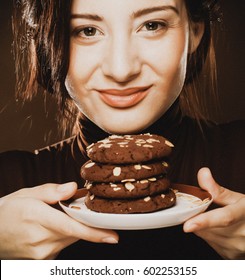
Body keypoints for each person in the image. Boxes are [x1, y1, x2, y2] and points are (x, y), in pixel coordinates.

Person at [0, 0, 244, 260]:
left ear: (195, 32)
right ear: (47, 40)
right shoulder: (8, 183)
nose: (121, 70)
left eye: (152, 25)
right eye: (87, 30)